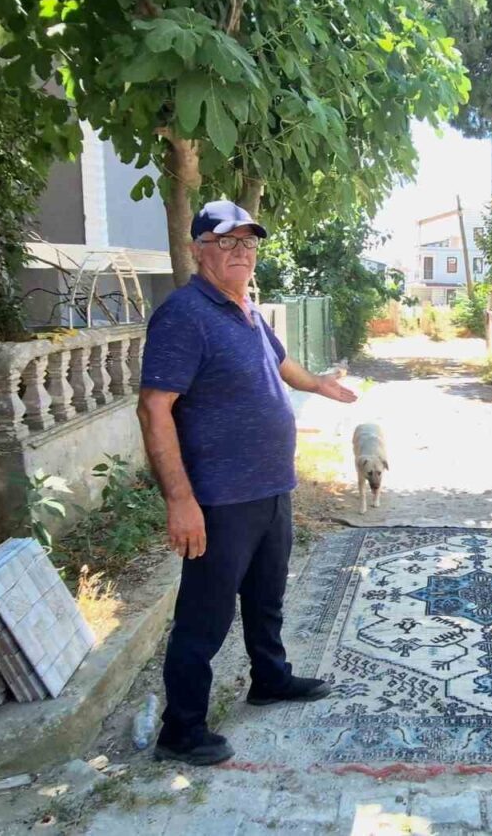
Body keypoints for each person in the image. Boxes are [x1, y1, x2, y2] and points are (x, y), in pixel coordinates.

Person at [137, 200, 357, 765]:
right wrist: (181, 500)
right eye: (227, 241)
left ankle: (270, 679)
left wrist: (324, 386)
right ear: (198, 250)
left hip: (270, 487)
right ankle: (181, 730)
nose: (241, 252)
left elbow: (281, 366)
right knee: (204, 618)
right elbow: (155, 408)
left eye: (249, 243)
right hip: (218, 498)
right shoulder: (184, 315)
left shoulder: (246, 309)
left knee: (266, 598)